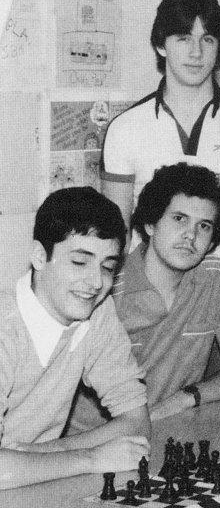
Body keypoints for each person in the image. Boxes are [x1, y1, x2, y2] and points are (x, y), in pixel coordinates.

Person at [100, 0, 220, 358]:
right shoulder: (125, 128)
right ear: (161, 46)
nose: (196, 53)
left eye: (207, 39)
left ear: (219, 48)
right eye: (183, 38)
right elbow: (112, 230)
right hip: (144, 309)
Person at [70, 163, 220, 427]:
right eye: (179, 219)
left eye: (204, 226)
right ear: (151, 224)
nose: (190, 236)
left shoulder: (217, 280)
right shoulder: (107, 285)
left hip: (168, 426)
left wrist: (188, 397)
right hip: (94, 438)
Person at [0, 187, 150, 489]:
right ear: (40, 256)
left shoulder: (96, 310)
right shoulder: (5, 328)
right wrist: (91, 459)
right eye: (80, 262)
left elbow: (136, 424)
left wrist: (38, 455)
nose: (96, 283)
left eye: (108, 266)